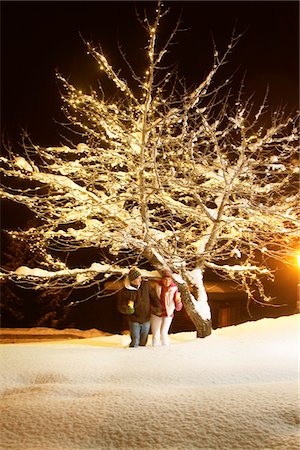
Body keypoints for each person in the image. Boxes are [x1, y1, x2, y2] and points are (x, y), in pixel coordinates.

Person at [117, 266, 162, 348]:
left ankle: (141, 357)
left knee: (143, 341)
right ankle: (132, 356)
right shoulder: (126, 291)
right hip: (134, 319)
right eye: (138, 278)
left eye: (140, 277)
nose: (140, 280)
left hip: (146, 318)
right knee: (136, 341)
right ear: (132, 280)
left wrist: (158, 307)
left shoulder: (146, 285)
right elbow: (121, 306)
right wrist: (127, 309)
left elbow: (153, 297)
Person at [151, 268, 183, 346]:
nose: (167, 282)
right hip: (157, 312)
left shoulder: (174, 289)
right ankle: (155, 350)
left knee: (164, 333)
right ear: (162, 279)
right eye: (165, 279)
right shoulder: (157, 286)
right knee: (156, 333)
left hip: (168, 313)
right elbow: (152, 298)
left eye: (169, 280)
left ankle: (165, 350)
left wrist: (178, 302)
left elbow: (178, 308)